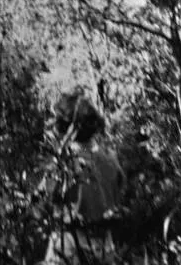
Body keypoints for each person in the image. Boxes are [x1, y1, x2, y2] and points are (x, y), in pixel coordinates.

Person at [43, 90, 125, 264]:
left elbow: (46, 198)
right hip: (105, 247)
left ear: (65, 127)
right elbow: (118, 196)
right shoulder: (110, 158)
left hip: (70, 246)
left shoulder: (64, 162)